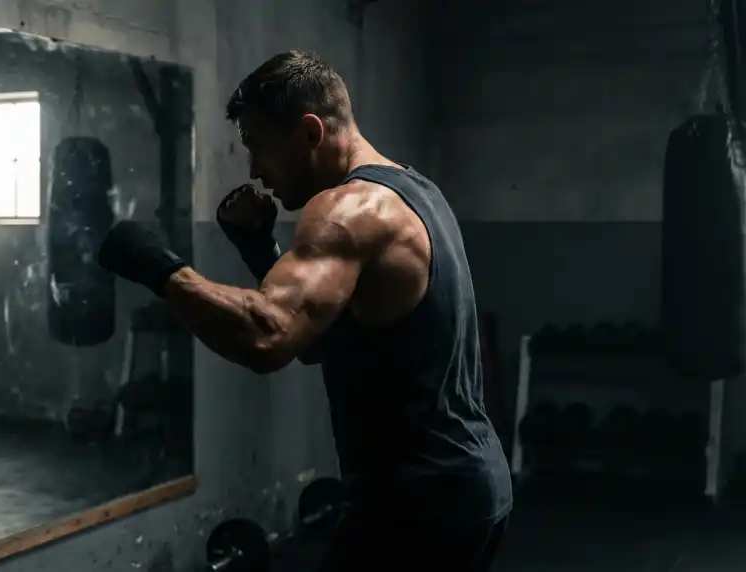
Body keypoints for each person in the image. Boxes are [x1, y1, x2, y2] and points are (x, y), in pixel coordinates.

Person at [97, 50, 513, 571]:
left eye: (259, 148)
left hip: (416, 503)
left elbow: (266, 338)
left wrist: (159, 267)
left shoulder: (346, 210)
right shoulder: (415, 191)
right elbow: (319, 343)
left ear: (310, 132)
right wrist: (257, 249)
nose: (255, 171)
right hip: (465, 487)